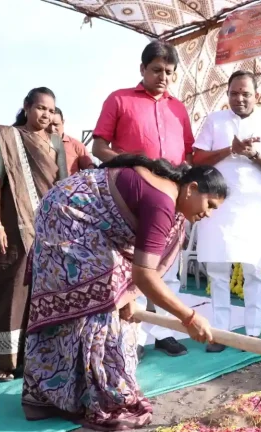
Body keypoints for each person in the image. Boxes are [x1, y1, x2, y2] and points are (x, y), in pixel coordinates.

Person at [22, 155, 227, 430]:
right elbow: (145, 274)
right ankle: (98, 397)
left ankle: (60, 395)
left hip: (78, 217)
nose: (208, 214)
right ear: (191, 189)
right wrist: (189, 317)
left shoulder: (168, 197)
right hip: (66, 217)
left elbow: (135, 262)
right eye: (209, 204)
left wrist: (127, 295)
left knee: (109, 302)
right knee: (100, 307)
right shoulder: (162, 202)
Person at [93, 40, 194, 357]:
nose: (163, 77)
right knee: (128, 267)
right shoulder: (119, 99)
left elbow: (187, 154)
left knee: (166, 269)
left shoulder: (178, 109)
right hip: (128, 201)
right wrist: (135, 166)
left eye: (169, 72)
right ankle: (130, 338)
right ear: (142, 69)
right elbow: (99, 148)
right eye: (156, 70)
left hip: (169, 202)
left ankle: (164, 332)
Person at [193, 70, 261, 352]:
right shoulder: (215, 120)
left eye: (245, 94)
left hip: (252, 210)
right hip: (218, 208)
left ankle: (253, 334)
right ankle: (220, 334)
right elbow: (197, 159)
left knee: (253, 271)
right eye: (234, 93)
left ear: (256, 96)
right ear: (227, 94)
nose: (239, 99)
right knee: (218, 271)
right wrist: (229, 150)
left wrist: (254, 155)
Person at [0, 87, 67, 382]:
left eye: (51, 110)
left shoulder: (55, 142)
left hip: (49, 227)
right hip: (15, 225)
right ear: (27, 106)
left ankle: (39, 357)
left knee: (47, 289)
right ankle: (6, 361)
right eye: (41, 108)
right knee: (13, 289)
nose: (46, 115)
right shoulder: (9, 138)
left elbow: (63, 185)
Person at [48, 107, 94, 175]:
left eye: (56, 125)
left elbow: (90, 171)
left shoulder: (76, 146)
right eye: (48, 124)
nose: (52, 129)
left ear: (63, 122)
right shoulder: (37, 145)